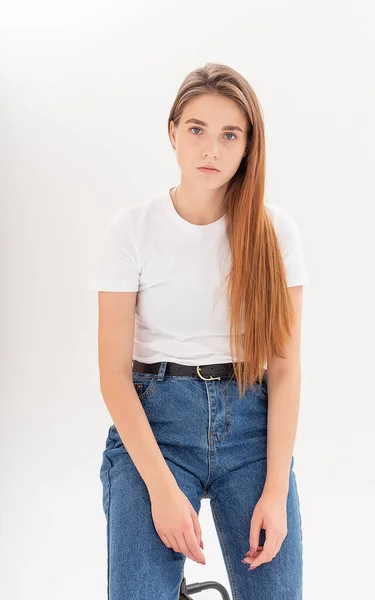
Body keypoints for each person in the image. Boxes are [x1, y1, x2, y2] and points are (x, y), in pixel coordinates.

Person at [90, 62, 310, 600]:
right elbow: (113, 375)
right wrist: (162, 492)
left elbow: (283, 367)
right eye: (197, 130)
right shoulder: (131, 230)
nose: (211, 150)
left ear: (246, 145)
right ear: (172, 133)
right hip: (156, 424)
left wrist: (276, 490)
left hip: (250, 429)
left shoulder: (274, 232)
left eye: (228, 135)